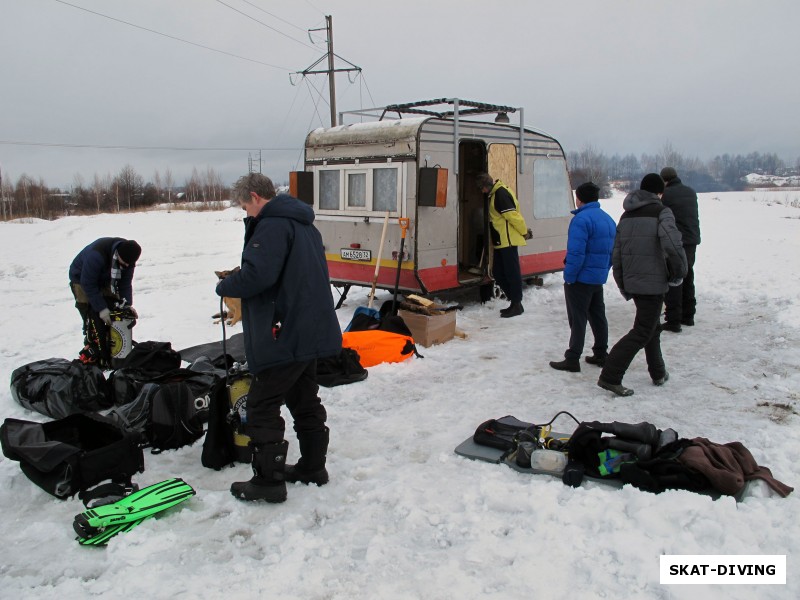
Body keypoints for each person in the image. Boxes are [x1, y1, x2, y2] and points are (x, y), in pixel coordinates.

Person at [216, 173, 342, 503]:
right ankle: (313, 468)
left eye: (245, 207)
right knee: (304, 398)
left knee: (261, 405)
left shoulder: (272, 225)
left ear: (256, 197)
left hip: (284, 332)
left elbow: (259, 276)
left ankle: (268, 482)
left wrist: (227, 285)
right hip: (307, 328)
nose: (246, 214)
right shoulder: (303, 224)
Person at [597, 174, 687, 397]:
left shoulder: (626, 216)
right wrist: (679, 272)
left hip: (634, 281)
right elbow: (673, 245)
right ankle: (610, 376)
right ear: (659, 193)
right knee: (642, 331)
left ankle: (658, 372)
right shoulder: (661, 212)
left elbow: (616, 253)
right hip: (653, 281)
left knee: (651, 326)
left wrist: (622, 281)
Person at [549, 182, 616, 373]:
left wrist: (569, 276)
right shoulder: (608, 219)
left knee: (577, 319)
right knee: (598, 316)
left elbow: (576, 253)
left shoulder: (581, 220)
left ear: (579, 198)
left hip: (580, 279)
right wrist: (603, 269)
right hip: (597, 278)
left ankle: (572, 358)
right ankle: (601, 353)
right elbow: (613, 251)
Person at [69, 237, 141, 365]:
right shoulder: (96, 256)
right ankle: (93, 349)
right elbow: (88, 284)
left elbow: (124, 284)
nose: (126, 267)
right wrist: (102, 309)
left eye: (128, 265)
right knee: (91, 314)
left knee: (114, 309)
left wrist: (126, 305)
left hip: (105, 278)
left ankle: (110, 349)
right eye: (123, 264)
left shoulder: (128, 259)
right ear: (117, 255)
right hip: (81, 279)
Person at [476, 172, 531, 318]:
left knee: (512, 273)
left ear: (486, 186)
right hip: (501, 241)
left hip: (509, 241)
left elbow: (513, 216)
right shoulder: (494, 195)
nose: (481, 191)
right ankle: (513, 301)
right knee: (498, 273)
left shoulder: (501, 194)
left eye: (481, 188)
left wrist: (524, 232)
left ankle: (517, 304)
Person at [659, 167, 701, 332]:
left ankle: (673, 320)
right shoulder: (690, 192)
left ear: (664, 180)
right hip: (692, 240)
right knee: (688, 274)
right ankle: (688, 315)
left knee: (675, 277)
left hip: (676, 241)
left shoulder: (666, 195)